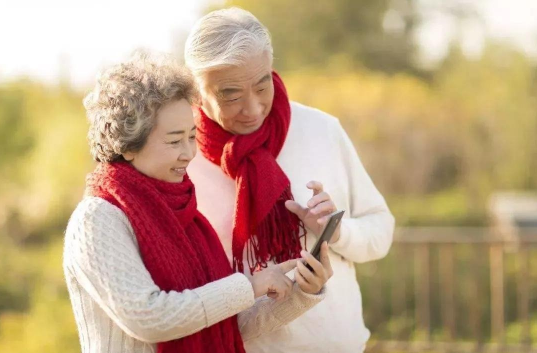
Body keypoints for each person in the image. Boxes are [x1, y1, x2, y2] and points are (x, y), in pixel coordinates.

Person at [63, 53, 333, 353]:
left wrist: (301, 293)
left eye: (192, 137)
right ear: (128, 145)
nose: (189, 153)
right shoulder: (98, 219)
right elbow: (150, 319)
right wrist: (250, 286)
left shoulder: (185, 212)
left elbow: (224, 323)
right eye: (174, 140)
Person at [184, 8, 395, 353]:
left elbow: (381, 231)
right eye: (231, 94)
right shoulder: (181, 158)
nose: (252, 108)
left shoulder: (321, 130)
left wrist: (338, 231)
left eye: (262, 84)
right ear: (196, 92)